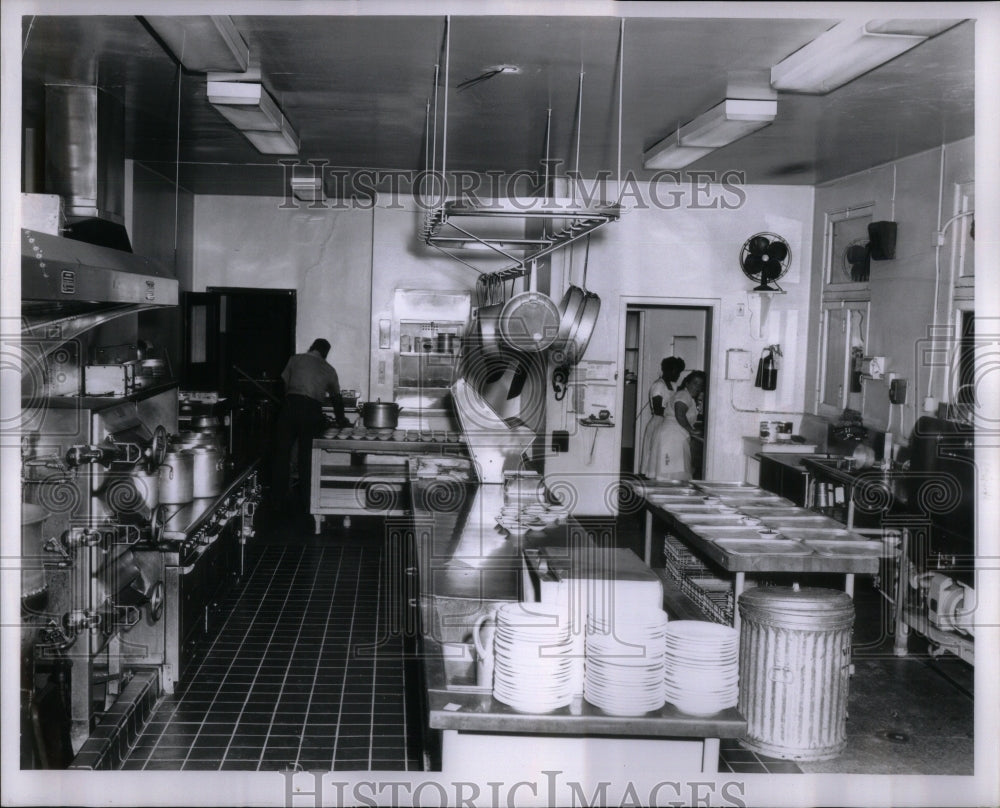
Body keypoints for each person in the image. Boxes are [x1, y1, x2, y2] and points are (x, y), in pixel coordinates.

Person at [272, 338, 352, 513]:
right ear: (325, 354)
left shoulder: (295, 359)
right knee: (306, 457)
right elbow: (337, 399)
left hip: (290, 407)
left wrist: (288, 403)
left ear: (312, 347)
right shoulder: (329, 369)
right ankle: (307, 504)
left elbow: (283, 384)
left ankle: (277, 503)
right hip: (311, 411)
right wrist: (341, 420)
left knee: (282, 455)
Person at [646, 369, 705, 482]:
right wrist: (691, 430)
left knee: (666, 475)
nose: (697, 387)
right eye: (695, 383)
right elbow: (680, 414)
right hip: (672, 438)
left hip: (670, 435)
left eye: (700, 385)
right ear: (687, 383)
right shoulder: (684, 395)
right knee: (670, 476)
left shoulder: (686, 395)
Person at [639, 357, 685, 479]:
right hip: (659, 422)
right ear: (669, 370)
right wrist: (676, 414)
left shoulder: (673, 386)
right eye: (677, 372)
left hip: (668, 424)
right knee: (654, 455)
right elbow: (658, 409)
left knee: (665, 456)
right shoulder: (658, 386)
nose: (678, 375)